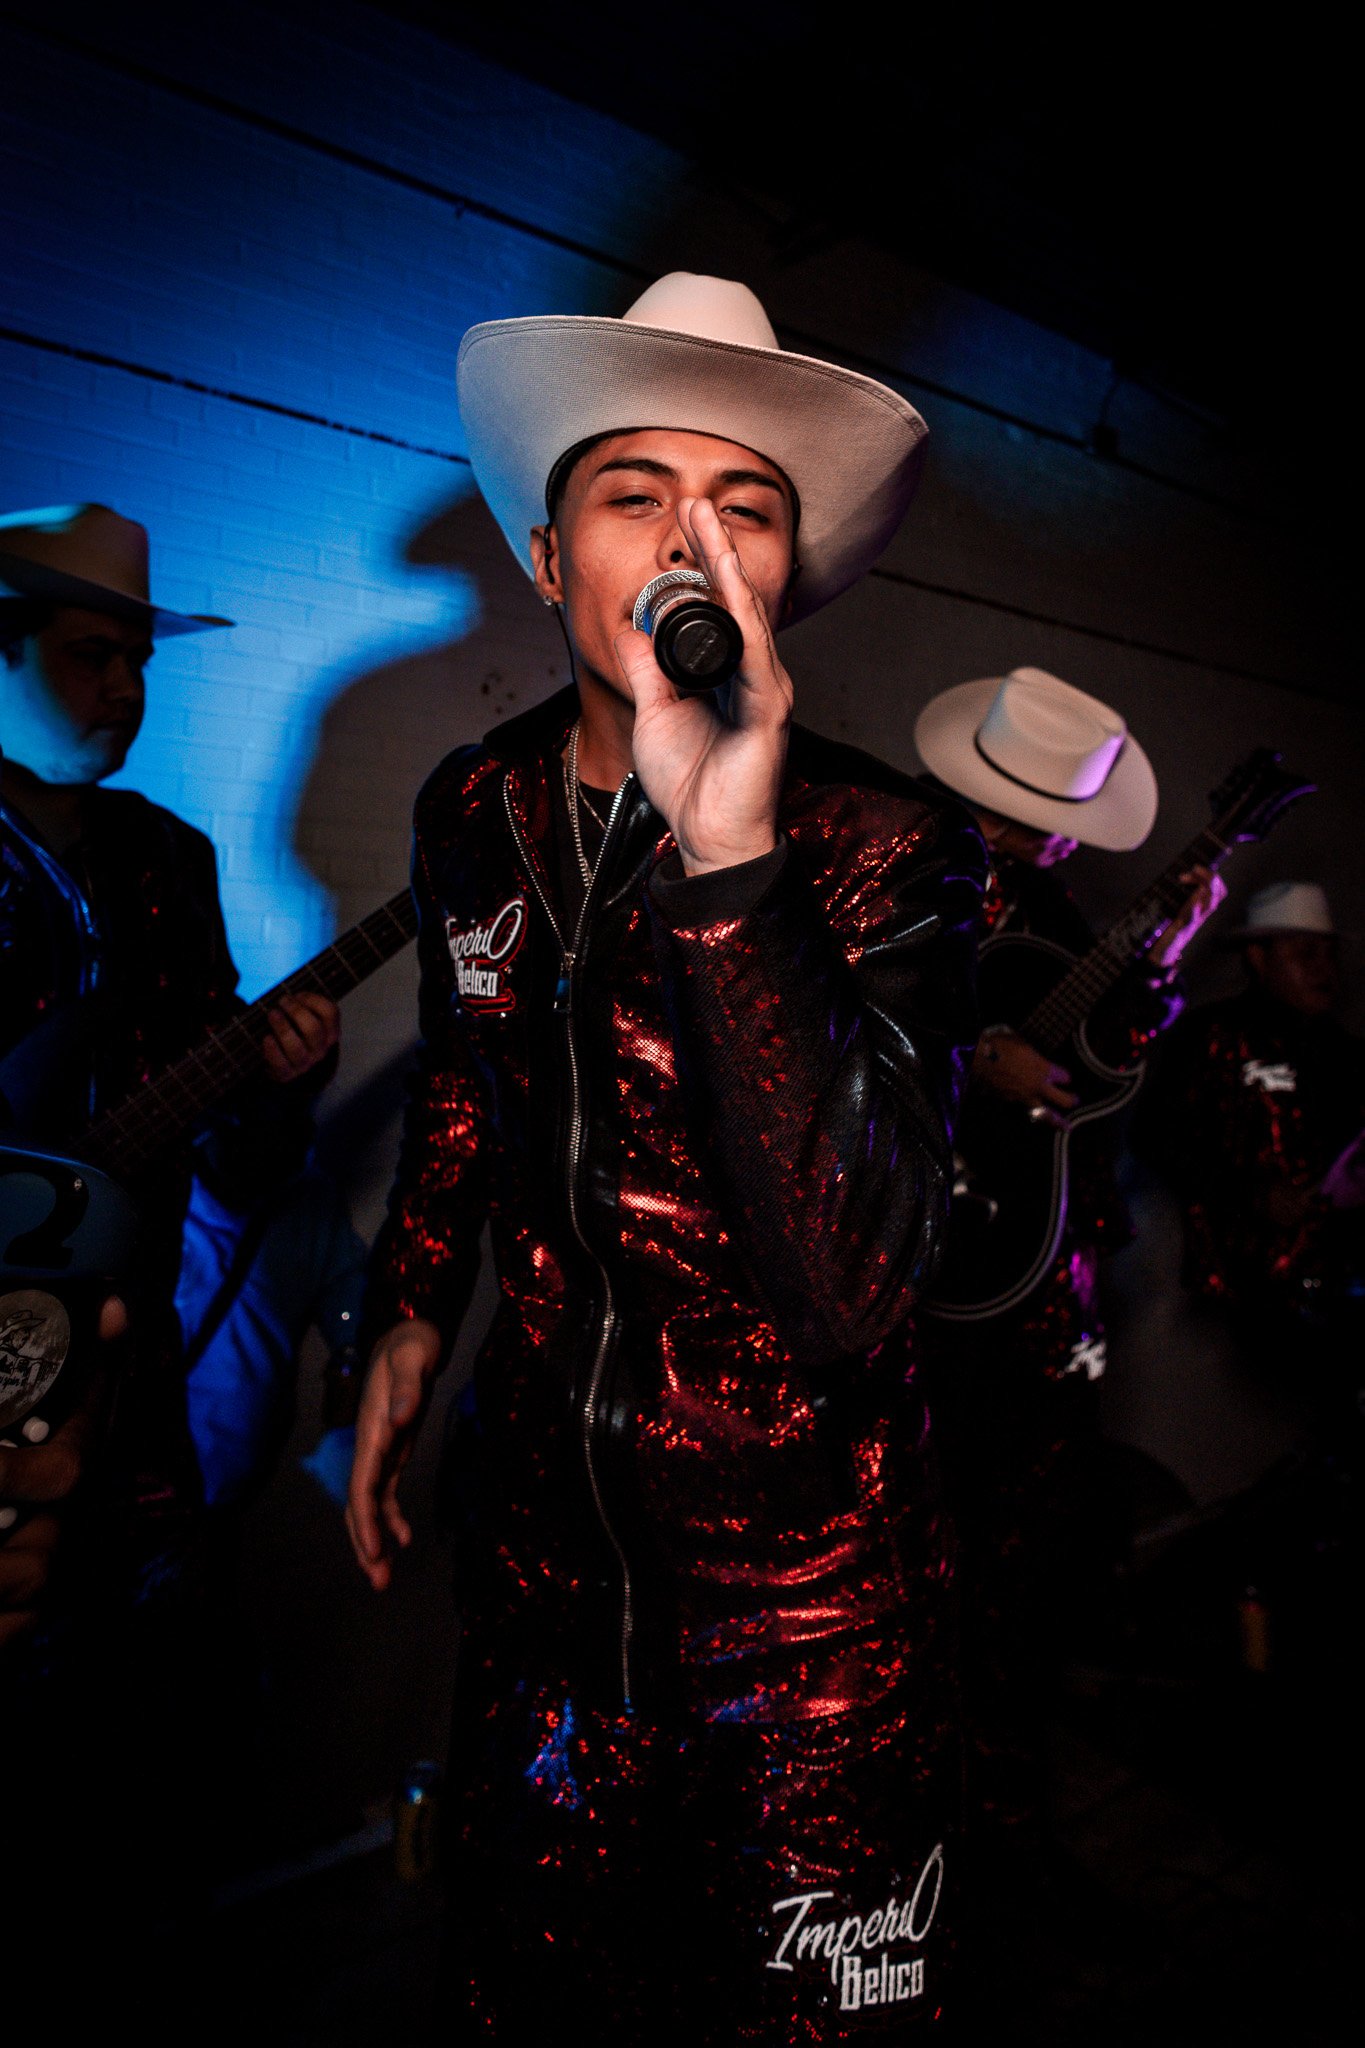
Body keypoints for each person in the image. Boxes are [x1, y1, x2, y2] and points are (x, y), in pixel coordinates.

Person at [347, 272, 985, 2041]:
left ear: (784, 579)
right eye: (637, 494)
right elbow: (469, 1084)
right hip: (547, 1616)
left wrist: (729, 869)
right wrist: (406, 1306)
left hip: (814, 1647)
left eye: (748, 505)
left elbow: (859, 1288)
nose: (695, 541)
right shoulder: (472, 808)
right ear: (551, 561)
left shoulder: (882, 846)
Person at [0, 502, 340, 1973]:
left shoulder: (170, 861)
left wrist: (279, 1092)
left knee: (132, 1762)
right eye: (90, 658)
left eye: (139, 663)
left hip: (135, 1401)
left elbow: (230, 1152)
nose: (124, 691)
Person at [911, 666, 1225, 2010]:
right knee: (932, 1581)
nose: (1053, 845)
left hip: (1053, 1295)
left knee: (1026, 1590)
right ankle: (914, 1874)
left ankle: (1010, 1851)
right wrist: (963, 1056)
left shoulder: (1049, 912)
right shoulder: (890, 885)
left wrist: (1166, 962)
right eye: (1043, 818)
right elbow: (809, 1053)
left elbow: (1114, 1069)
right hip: (937, 1296)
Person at [1142, 881, 1365, 1438]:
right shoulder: (1208, 1037)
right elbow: (1157, 1137)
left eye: (1329, 953)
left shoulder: (1344, 1053)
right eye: (1304, 953)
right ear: (1258, 958)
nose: (1323, 969)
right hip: (1239, 1295)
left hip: (1337, 1285)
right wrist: (1250, 1195)